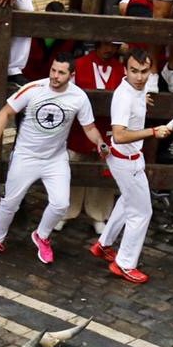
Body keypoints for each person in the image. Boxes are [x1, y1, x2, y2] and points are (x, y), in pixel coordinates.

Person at [0, 53, 105, 266]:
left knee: (61, 203)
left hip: (55, 159)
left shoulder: (79, 97)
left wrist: (99, 143)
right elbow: (4, 113)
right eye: (53, 70)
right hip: (26, 156)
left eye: (61, 73)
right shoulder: (33, 89)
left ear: (71, 76)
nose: (55, 76)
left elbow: (89, 128)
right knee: (10, 203)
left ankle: (42, 236)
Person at [91, 48, 172, 285]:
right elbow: (119, 135)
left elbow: (133, 101)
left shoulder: (135, 91)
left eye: (144, 71)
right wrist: (153, 132)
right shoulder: (125, 96)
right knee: (141, 212)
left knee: (127, 202)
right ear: (125, 70)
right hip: (126, 160)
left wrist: (141, 100)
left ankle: (104, 244)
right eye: (134, 71)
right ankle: (125, 263)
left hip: (128, 159)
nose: (139, 77)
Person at [59, 40, 123, 239]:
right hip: (80, 129)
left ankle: (98, 215)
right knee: (72, 170)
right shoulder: (80, 64)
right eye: (105, 44)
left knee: (101, 173)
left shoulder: (121, 69)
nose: (108, 49)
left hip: (106, 128)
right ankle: (64, 212)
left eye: (113, 45)